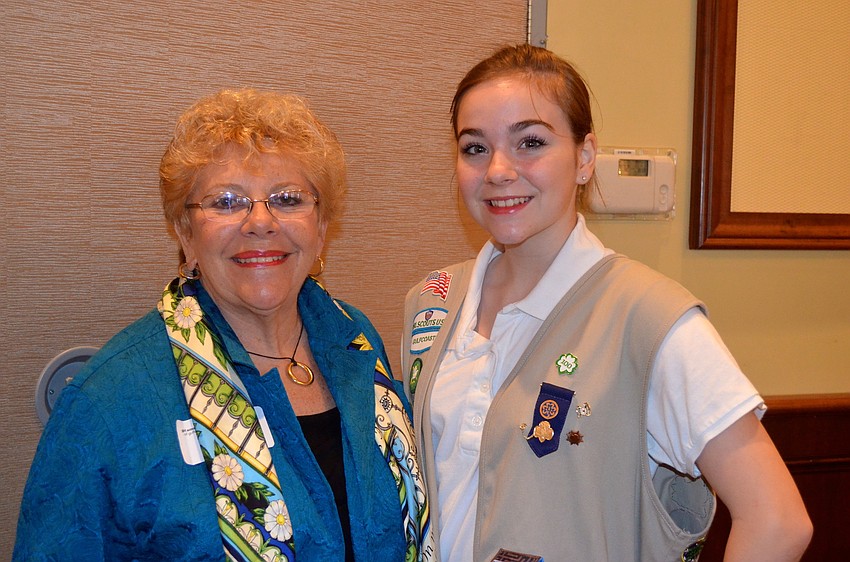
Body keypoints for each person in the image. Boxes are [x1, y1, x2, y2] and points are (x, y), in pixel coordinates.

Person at [402, 45, 812, 562]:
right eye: (474, 148)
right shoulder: (433, 306)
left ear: (585, 158)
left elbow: (778, 521)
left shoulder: (649, 318)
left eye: (530, 142)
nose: (498, 170)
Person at [15, 89, 434, 562]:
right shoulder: (109, 400)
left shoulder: (356, 342)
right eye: (227, 201)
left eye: (288, 198)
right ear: (184, 233)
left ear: (321, 228)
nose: (260, 222)